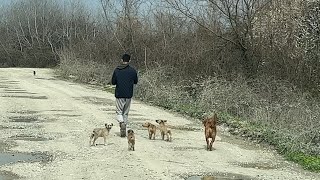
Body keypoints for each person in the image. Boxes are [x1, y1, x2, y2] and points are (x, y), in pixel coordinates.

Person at [111, 54, 138, 137]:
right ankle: (124, 126)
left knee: (119, 111)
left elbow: (113, 82)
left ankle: (121, 123)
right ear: (129, 61)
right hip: (129, 94)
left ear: (121, 60)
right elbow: (136, 81)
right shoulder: (133, 71)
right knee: (125, 113)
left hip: (119, 94)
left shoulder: (117, 70)